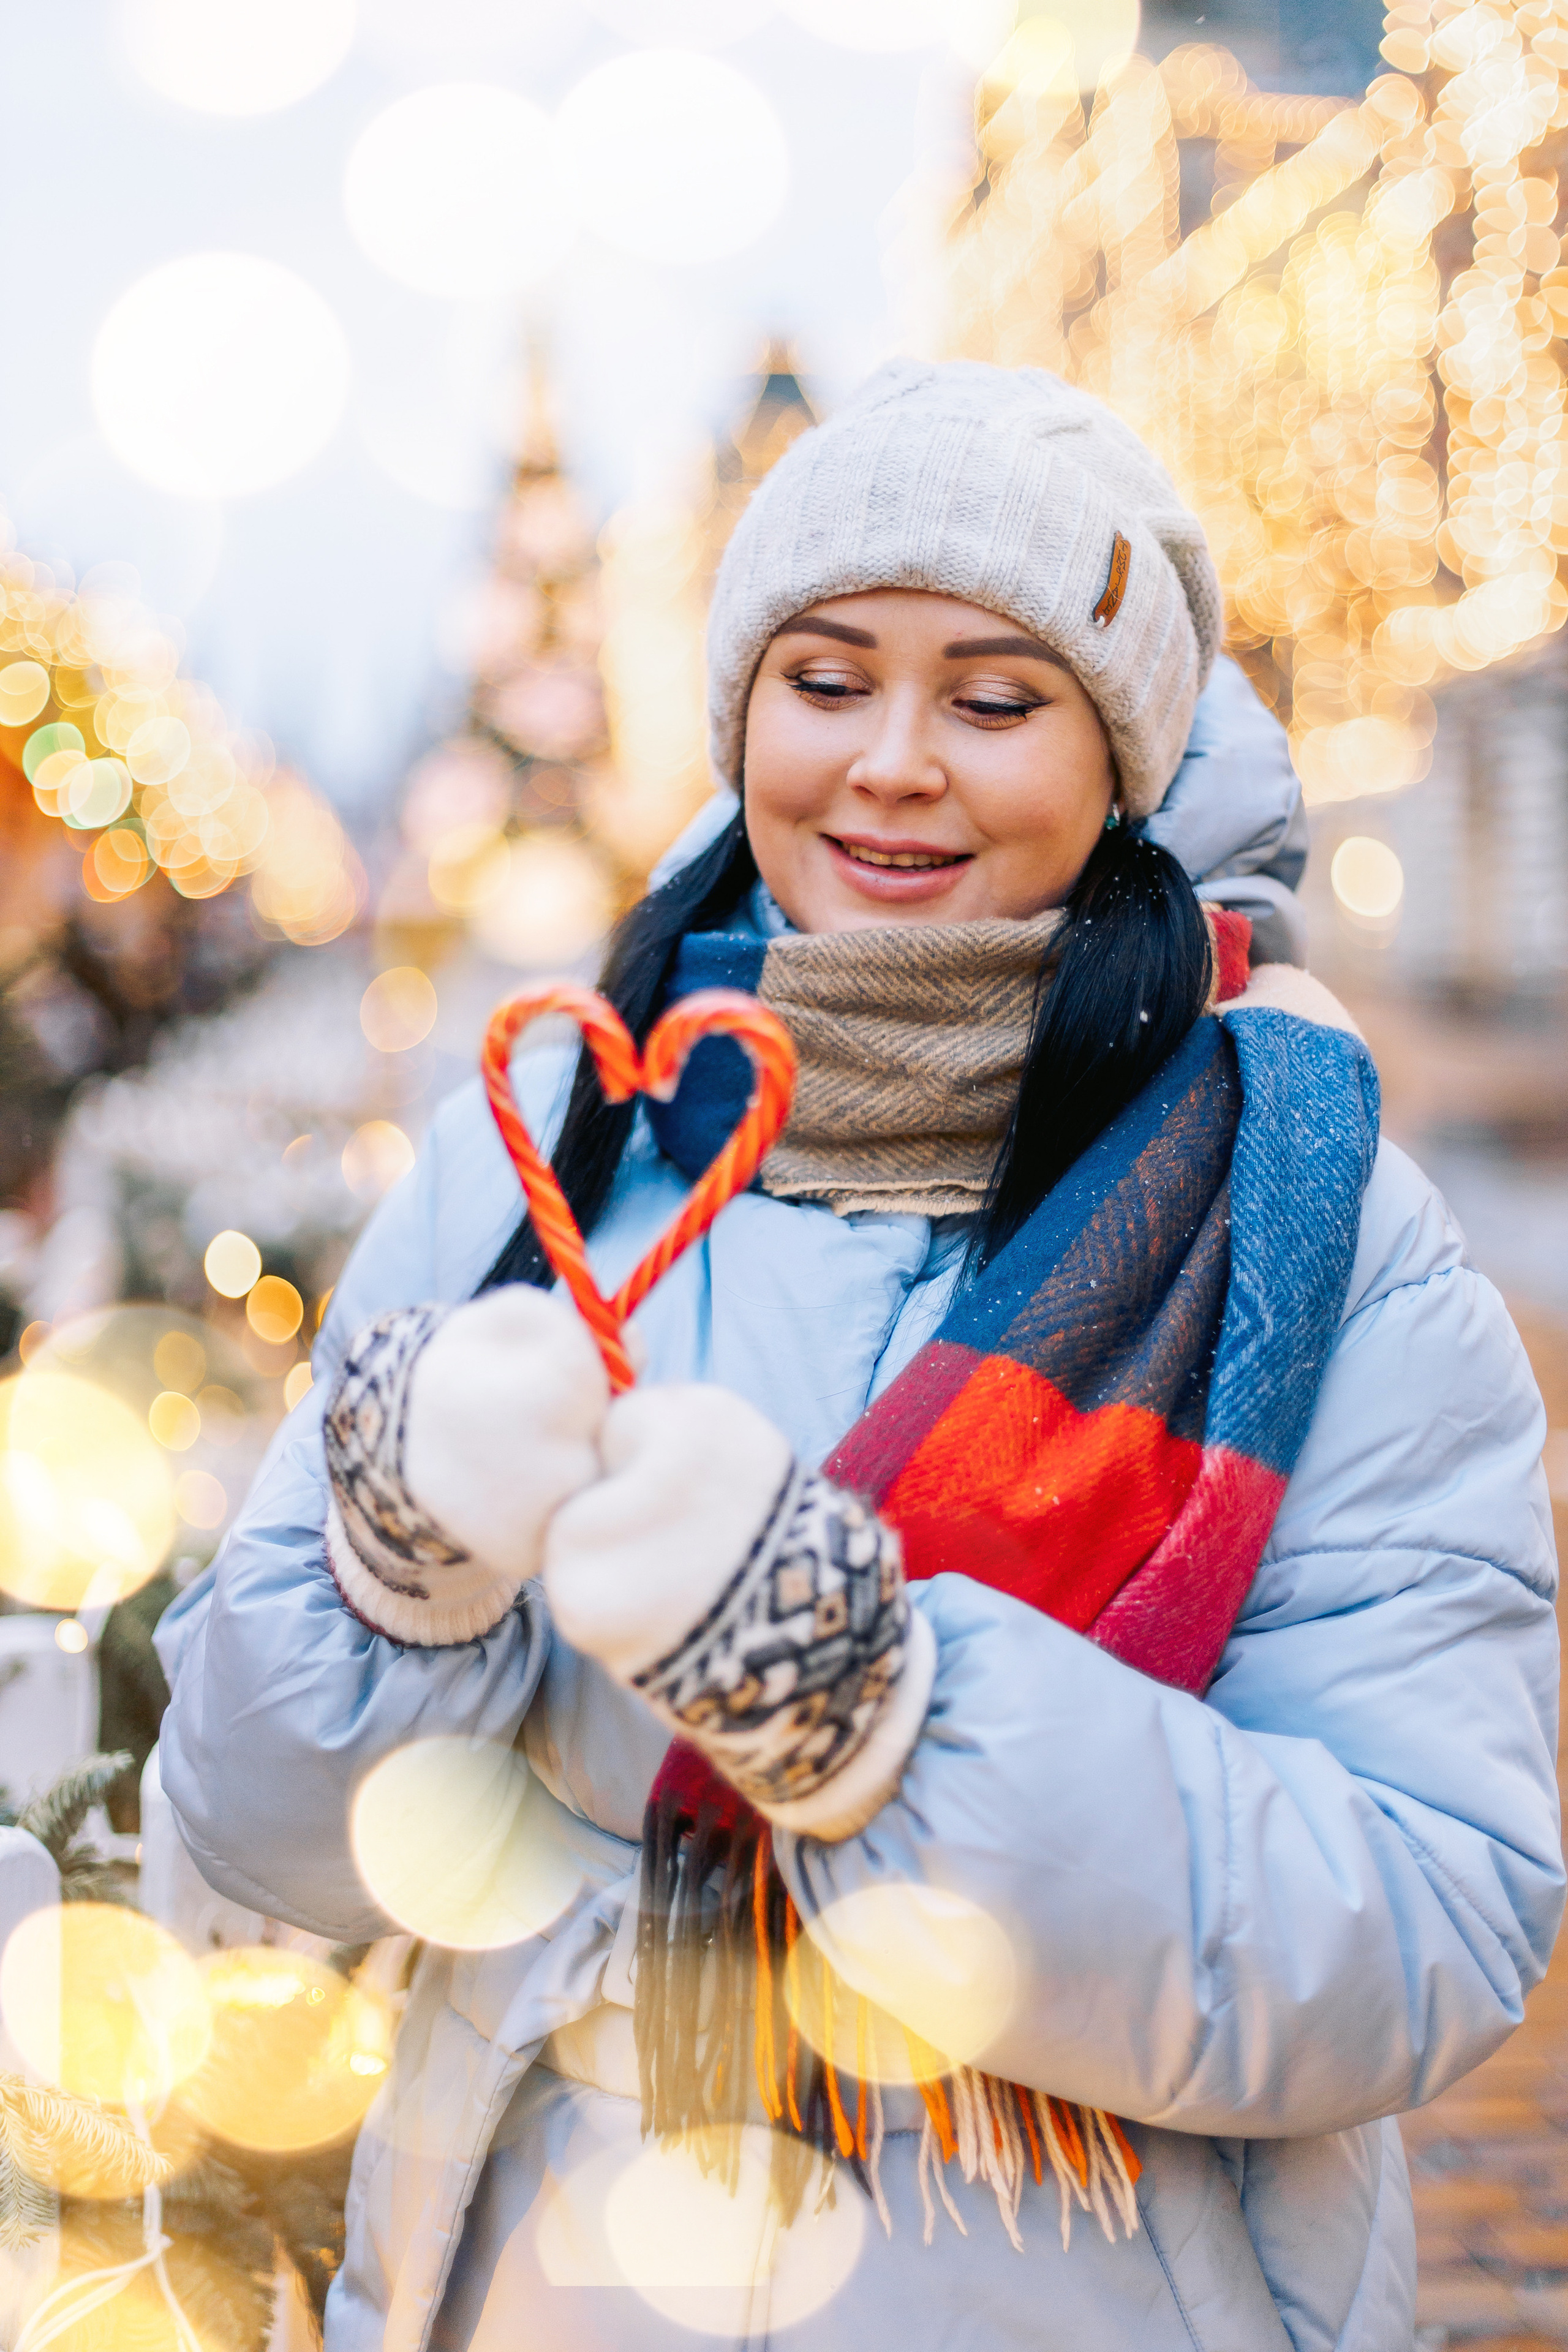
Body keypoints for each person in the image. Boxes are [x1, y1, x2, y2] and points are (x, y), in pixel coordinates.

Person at [159, 360, 1562, 2352]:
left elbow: (1424, 1926)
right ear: (745, 714)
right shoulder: (544, 1147)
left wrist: (881, 1707)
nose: (893, 764)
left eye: (995, 702)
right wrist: (389, 1575)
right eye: (826, 682)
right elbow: (266, 1850)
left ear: (1121, 755)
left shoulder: (1307, 1233)